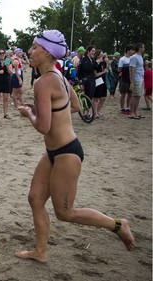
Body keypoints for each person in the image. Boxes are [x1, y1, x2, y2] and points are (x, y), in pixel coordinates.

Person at [15, 29, 135, 263]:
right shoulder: (58, 75)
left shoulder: (44, 81)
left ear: (48, 52)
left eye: (34, 47)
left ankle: (118, 224)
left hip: (67, 153)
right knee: (35, 198)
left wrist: (30, 113)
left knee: (65, 213)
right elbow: (76, 106)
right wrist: (43, 109)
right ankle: (40, 251)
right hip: (55, 152)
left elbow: (43, 127)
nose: (31, 51)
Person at [77, 45, 96, 120]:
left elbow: (94, 68)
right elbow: (87, 69)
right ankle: (85, 113)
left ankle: (87, 113)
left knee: (90, 97)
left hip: (92, 80)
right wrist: (81, 83)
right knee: (87, 97)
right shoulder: (84, 60)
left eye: (94, 51)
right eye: (92, 51)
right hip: (86, 80)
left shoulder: (92, 59)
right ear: (88, 51)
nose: (93, 53)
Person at [128, 43, 146, 119]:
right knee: (134, 96)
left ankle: (135, 112)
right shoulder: (134, 57)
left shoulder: (140, 57)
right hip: (136, 79)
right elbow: (132, 70)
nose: (144, 48)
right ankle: (131, 113)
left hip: (141, 78)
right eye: (143, 47)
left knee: (138, 96)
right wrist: (132, 82)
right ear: (139, 48)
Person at [118, 45, 134, 114]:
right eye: (131, 50)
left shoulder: (132, 58)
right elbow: (119, 69)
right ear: (128, 51)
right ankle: (122, 108)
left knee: (130, 94)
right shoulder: (122, 59)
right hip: (124, 79)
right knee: (123, 94)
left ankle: (127, 107)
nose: (132, 52)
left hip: (131, 79)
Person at [93, 50, 109, 119]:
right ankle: (95, 113)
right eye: (101, 55)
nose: (102, 56)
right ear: (97, 55)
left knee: (103, 98)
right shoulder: (95, 63)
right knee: (96, 98)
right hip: (97, 81)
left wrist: (107, 62)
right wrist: (103, 72)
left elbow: (106, 69)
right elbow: (95, 75)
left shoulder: (103, 62)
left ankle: (98, 111)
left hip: (103, 81)